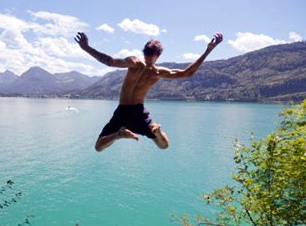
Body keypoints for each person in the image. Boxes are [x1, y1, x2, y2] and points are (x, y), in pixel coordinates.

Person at [75, 32, 223, 152]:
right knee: (164, 145)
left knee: (99, 147)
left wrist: (86, 48)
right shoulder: (158, 72)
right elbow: (186, 73)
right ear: (158, 55)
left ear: (143, 52)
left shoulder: (134, 62)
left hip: (122, 110)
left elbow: (109, 61)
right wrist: (208, 50)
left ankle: (118, 135)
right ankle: (157, 132)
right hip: (139, 112)